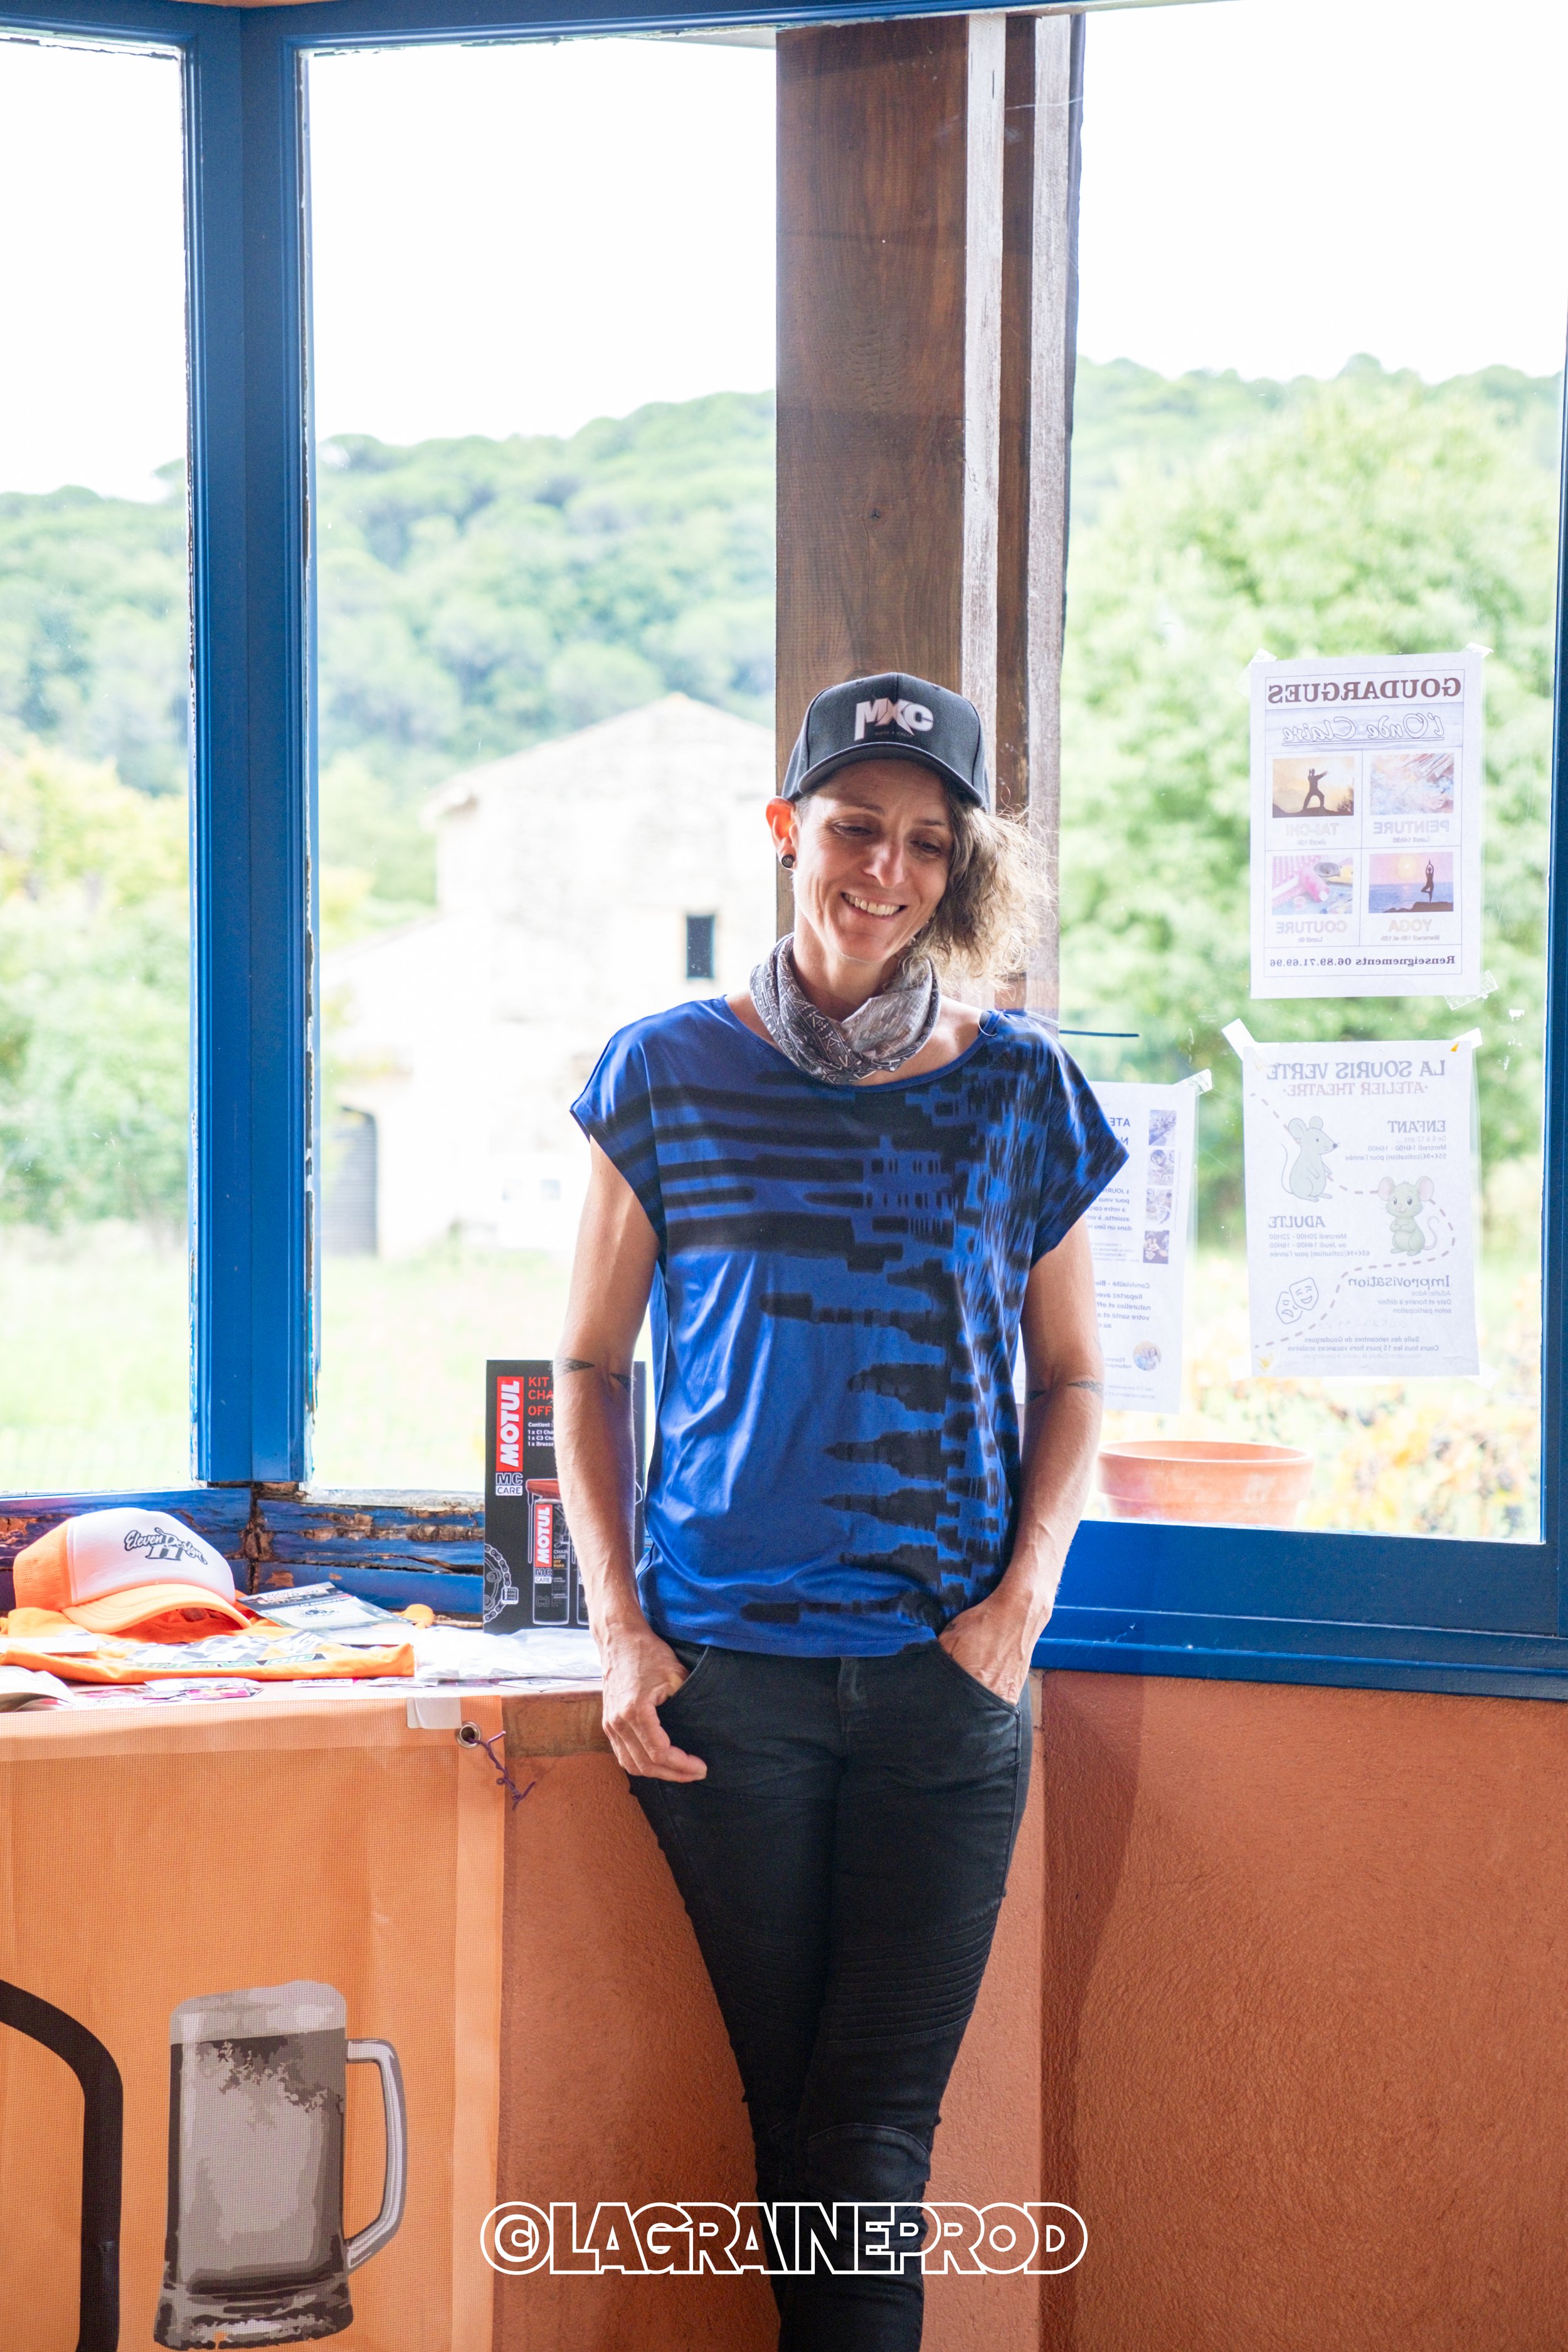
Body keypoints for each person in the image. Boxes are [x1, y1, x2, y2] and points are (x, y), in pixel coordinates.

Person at [555, 670, 1126, 2349]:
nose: (887, 871)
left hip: (946, 1690)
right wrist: (619, 1633)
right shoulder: (663, 1071)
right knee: (795, 2121)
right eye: (855, 828)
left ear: (961, 871)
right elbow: (585, 1368)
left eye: (929, 844)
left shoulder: (1021, 1088)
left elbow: (1077, 1381)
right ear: (784, 830)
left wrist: (1016, 1609)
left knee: (868, 2137)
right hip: (725, 1687)